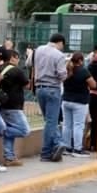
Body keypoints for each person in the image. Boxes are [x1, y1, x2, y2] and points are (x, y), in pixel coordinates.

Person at [34, 33, 68, 162]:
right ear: (60, 42)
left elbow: (27, 62)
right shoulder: (59, 55)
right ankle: (46, 152)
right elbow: (62, 75)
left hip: (39, 88)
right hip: (53, 89)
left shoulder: (38, 50)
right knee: (51, 122)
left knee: (48, 120)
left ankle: (57, 144)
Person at [0, 49, 30, 165]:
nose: (18, 60)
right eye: (17, 58)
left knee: (11, 130)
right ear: (12, 58)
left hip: (2, 104)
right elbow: (27, 85)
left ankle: (9, 157)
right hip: (14, 106)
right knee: (24, 130)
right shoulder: (16, 70)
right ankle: (1, 131)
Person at [62, 52, 95, 156]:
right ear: (80, 60)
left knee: (67, 125)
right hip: (79, 102)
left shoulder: (67, 70)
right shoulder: (83, 71)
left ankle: (66, 147)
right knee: (78, 125)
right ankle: (77, 149)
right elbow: (93, 85)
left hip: (66, 100)